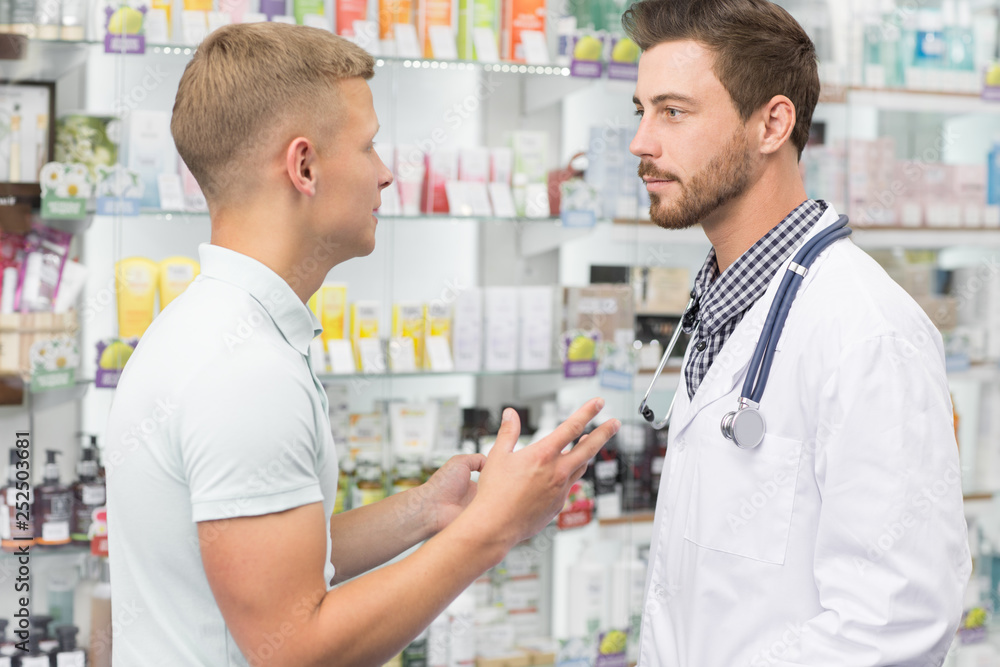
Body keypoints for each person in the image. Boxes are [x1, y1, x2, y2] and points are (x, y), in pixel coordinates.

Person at [104, 22, 620, 665]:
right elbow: (296, 651)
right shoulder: (244, 375)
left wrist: (424, 511)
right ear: (304, 166)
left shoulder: (213, 328)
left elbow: (274, 559)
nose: (386, 175)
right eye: (370, 147)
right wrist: (493, 530)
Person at [623, 1, 970, 665]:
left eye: (672, 111)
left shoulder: (867, 330)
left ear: (772, 124)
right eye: (639, 111)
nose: (641, 142)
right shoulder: (726, 301)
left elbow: (896, 618)